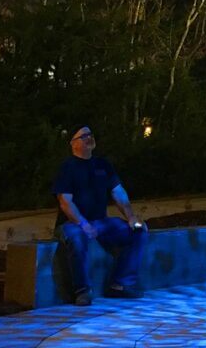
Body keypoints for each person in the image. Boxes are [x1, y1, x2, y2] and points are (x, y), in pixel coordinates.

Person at [52, 124, 148, 306]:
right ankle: (82, 291)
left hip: (100, 222)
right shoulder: (68, 167)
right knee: (77, 237)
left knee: (139, 230)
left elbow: (118, 193)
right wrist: (83, 224)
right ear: (73, 144)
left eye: (91, 134)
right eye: (84, 136)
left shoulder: (103, 165)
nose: (89, 137)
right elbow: (65, 201)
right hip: (71, 224)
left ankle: (120, 284)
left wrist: (131, 217)